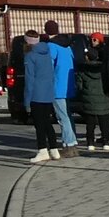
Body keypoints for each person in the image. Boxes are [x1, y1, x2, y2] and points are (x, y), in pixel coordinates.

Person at [22, 30, 60, 163]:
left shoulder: (30, 56)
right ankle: (54, 149)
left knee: (39, 124)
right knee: (47, 122)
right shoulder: (47, 53)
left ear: (27, 42)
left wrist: (27, 101)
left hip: (36, 94)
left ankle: (42, 149)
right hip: (48, 93)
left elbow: (30, 80)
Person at [43, 20, 79, 158]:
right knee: (68, 115)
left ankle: (69, 144)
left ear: (46, 31)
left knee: (62, 117)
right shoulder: (67, 46)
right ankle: (73, 142)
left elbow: (49, 66)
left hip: (57, 86)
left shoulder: (51, 46)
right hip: (68, 85)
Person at [78, 41, 109, 151]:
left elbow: (79, 86)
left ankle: (90, 143)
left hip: (89, 102)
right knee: (105, 123)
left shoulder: (83, 71)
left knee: (90, 125)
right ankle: (106, 142)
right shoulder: (103, 68)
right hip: (104, 100)